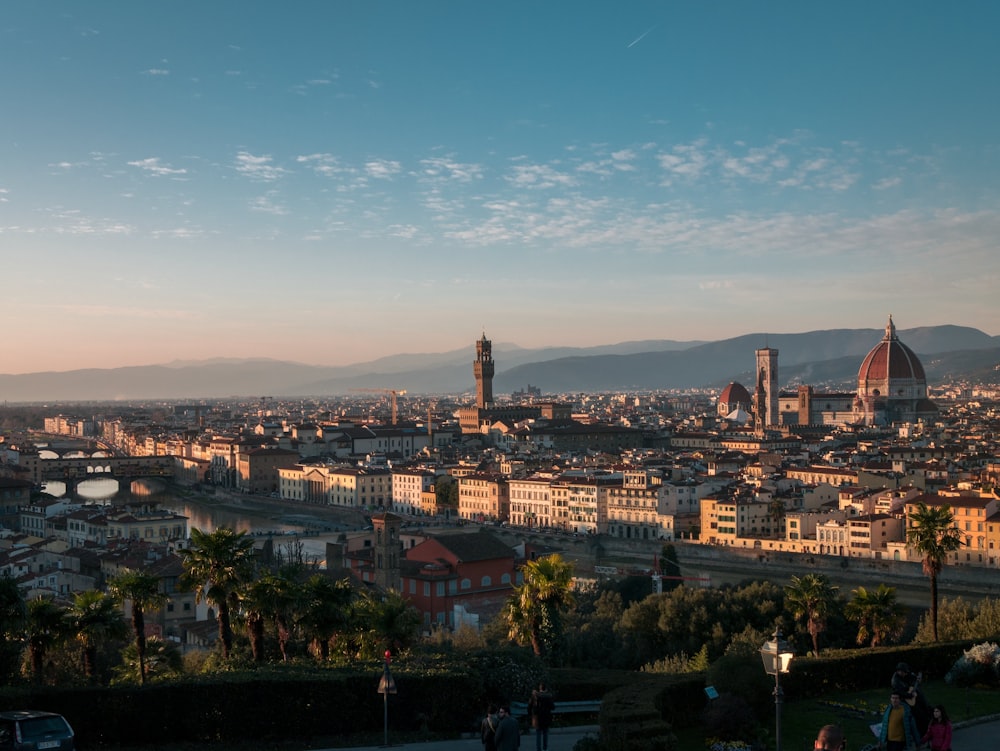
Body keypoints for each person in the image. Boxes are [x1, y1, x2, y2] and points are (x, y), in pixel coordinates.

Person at [890, 661, 929, 733]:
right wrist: (910, 695)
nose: (905, 673)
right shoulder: (895, 681)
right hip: (904, 700)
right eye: (904, 672)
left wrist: (917, 681)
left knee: (925, 706)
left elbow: (914, 679)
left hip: (913, 696)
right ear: (899, 671)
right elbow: (899, 693)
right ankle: (921, 730)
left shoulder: (906, 674)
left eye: (906, 672)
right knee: (917, 713)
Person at [527, 681, 556, 751]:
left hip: (537, 717)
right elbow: (553, 707)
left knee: (538, 733)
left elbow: (529, 706)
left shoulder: (534, 696)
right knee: (545, 733)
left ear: (539, 689)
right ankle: (545, 748)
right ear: (545, 689)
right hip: (546, 717)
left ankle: (538, 749)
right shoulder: (548, 696)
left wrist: (530, 714)